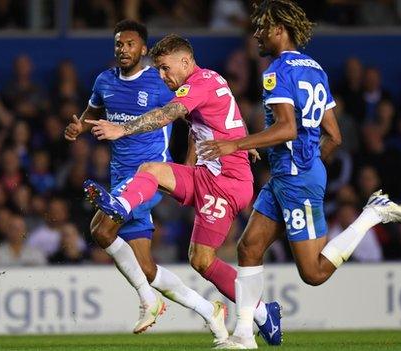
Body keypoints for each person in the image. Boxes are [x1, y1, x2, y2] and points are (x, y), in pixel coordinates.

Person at [197, 1, 401, 348]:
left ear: (279, 29)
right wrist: (308, 163)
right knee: (249, 247)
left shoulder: (275, 71)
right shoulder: (314, 68)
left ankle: (372, 214)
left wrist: (234, 145)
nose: (256, 34)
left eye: (261, 27)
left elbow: (285, 129)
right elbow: (335, 134)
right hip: (292, 175)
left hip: (295, 178)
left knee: (312, 273)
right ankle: (243, 336)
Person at [80, 29, 278, 344]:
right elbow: (206, 123)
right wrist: (195, 164)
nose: (162, 75)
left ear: (185, 61)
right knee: (153, 174)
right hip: (207, 174)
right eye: (157, 68)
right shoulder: (208, 79)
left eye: (165, 67)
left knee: (203, 258)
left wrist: (122, 129)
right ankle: (122, 206)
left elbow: (167, 114)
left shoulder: (196, 85)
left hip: (227, 183)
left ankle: (262, 314)